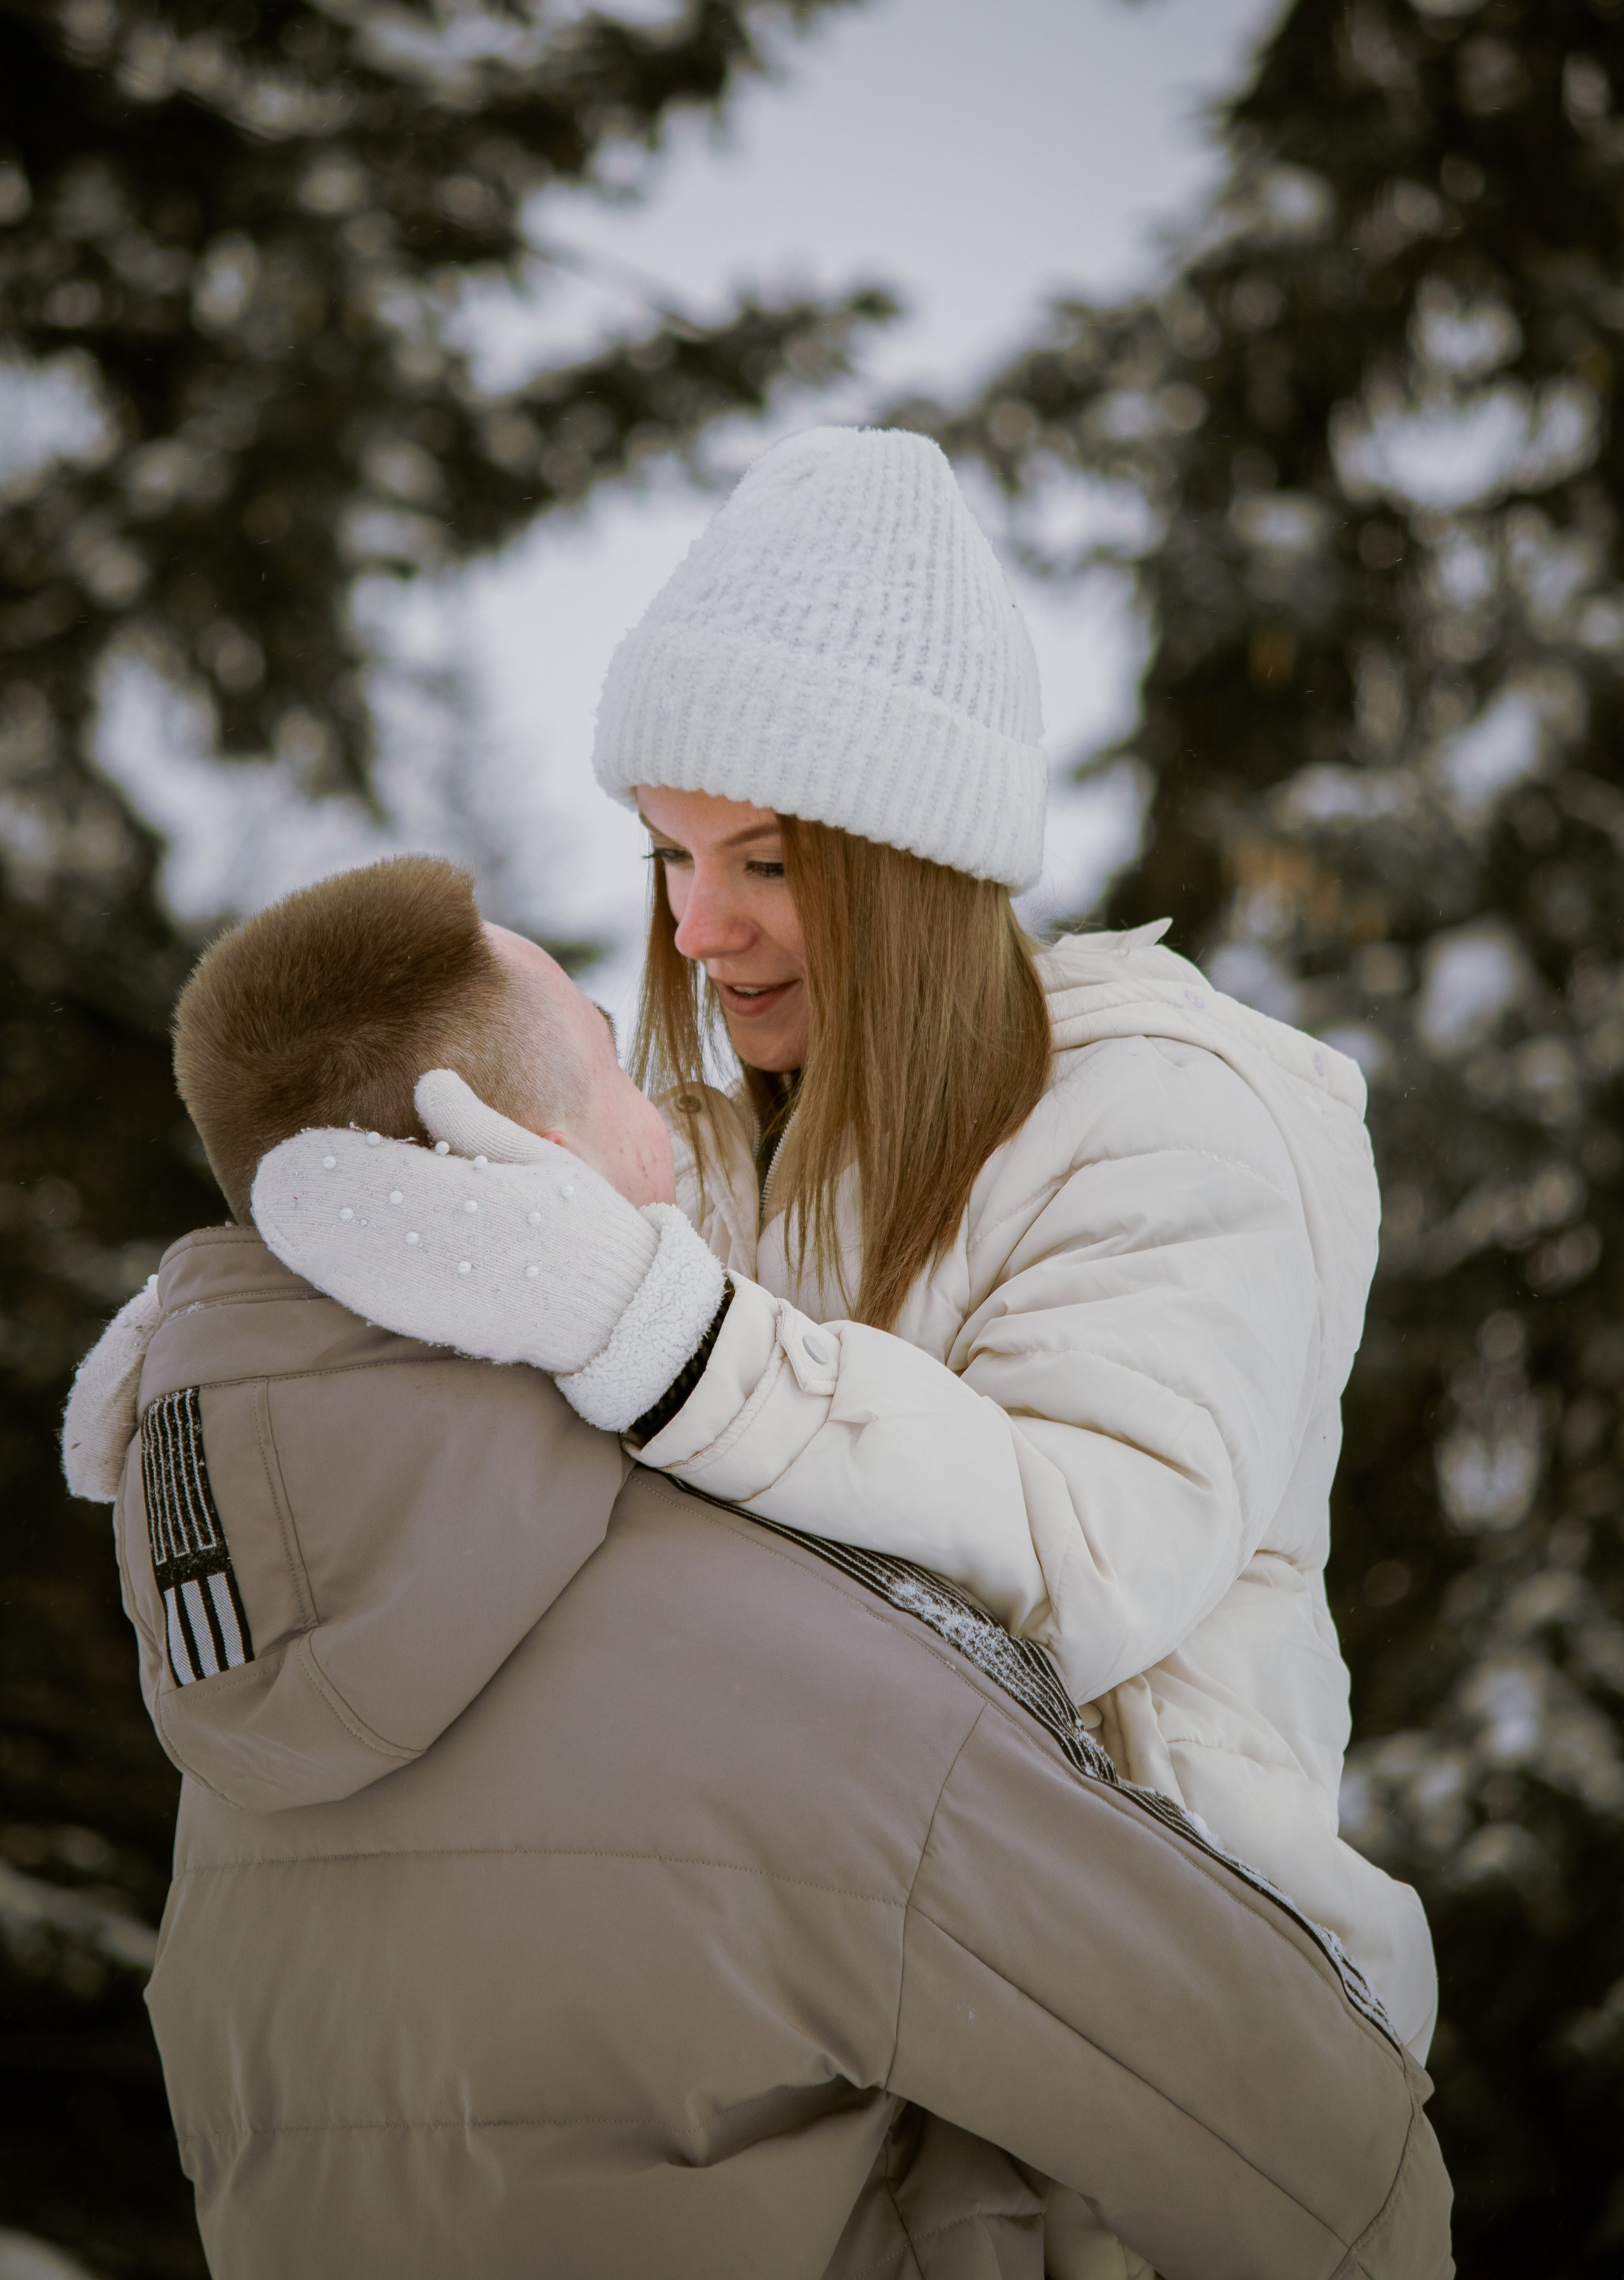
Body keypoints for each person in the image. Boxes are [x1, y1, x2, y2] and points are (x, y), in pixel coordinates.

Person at [63, 858, 1452, 2280]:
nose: (675, 1129)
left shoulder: (232, 1757)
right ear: (531, 1162)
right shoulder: (794, 1667)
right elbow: (1316, 2157)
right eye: (613, 1070)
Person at [254, 424, 1439, 2081]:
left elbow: (1078, 1562)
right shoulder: (712, 1153)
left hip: (1174, 2048)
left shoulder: (1170, 1117)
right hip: (834, 2017)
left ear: (915, 873)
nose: (692, 930)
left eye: (763, 862)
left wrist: (659, 1338)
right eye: (672, 855)